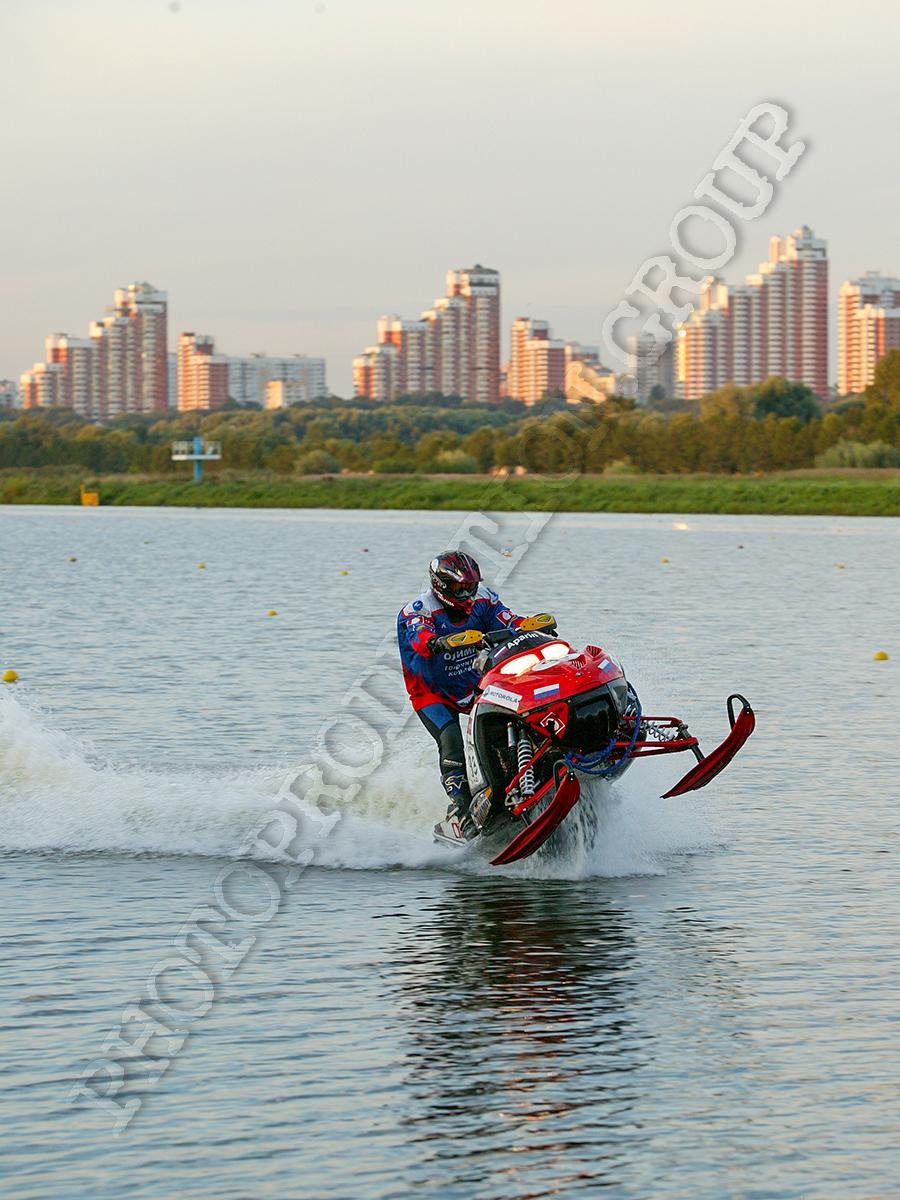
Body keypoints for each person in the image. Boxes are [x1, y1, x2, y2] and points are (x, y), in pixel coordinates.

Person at [397, 551, 526, 839]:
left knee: (512, 718)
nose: (467, 594)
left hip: (473, 684)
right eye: (459, 589)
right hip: (431, 694)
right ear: (440, 586)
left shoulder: (484, 598)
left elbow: (508, 619)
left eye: (471, 586)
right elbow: (421, 639)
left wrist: (529, 626)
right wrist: (440, 642)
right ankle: (461, 812)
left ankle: (516, 782)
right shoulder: (418, 609)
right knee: (452, 742)